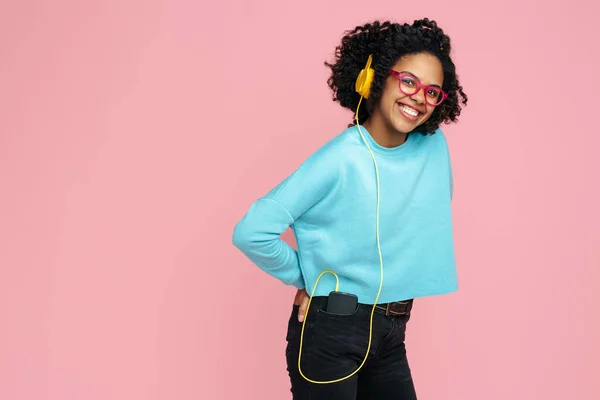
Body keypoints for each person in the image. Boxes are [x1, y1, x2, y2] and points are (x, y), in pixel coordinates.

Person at [232, 18, 468, 400]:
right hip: (332, 332)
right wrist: (308, 280)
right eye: (408, 81)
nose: (419, 97)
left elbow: (424, 218)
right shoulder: (339, 158)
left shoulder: (434, 147)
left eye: (432, 91)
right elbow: (251, 231)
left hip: (393, 331)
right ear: (372, 78)